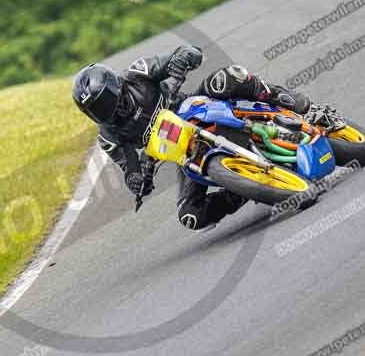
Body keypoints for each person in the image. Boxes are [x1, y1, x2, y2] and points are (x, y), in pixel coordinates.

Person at [72, 46, 310, 230]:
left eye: (103, 101)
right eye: (95, 109)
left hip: (194, 108)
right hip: (185, 151)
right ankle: (241, 190)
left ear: (114, 85)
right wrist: (137, 181)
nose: (104, 111)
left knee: (225, 78)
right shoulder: (109, 136)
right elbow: (129, 168)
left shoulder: (138, 73)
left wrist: (182, 59)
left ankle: (279, 95)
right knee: (191, 216)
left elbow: (186, 53)